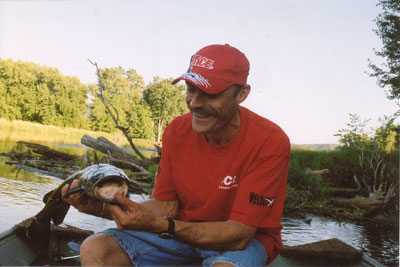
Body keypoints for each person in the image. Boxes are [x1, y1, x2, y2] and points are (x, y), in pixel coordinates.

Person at [62, 44, 290, 266]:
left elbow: (239, 235)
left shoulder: (269, 141)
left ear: (242, 94)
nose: (195, 103)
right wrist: (102, 209)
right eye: (191, 89)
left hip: (243, 243)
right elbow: (166, 206)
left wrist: (163, 227)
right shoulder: (177, 131)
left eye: (211, 94)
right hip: (181, 232)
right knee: (95, 249)